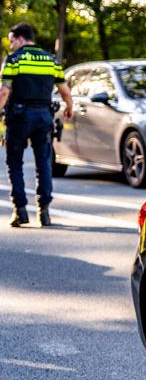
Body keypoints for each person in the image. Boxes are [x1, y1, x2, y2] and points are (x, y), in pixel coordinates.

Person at [0, 23, 73, 228]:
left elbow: (4, 92)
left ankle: (20, 211)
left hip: (19, 117)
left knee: (15, 163)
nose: (11, 44)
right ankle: (45, 212)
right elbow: (64, 90)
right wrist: (70, 107)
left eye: (12, 40)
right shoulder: (51, 60)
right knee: (44, 163)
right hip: (44, 116)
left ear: (21, 39)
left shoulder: (14, 59)